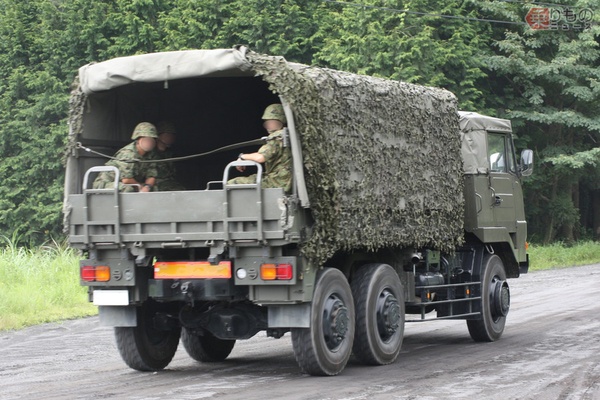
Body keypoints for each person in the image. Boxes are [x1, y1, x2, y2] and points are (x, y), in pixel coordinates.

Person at [228, 104, 292, 192]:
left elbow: (260, 157)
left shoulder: (277, 137)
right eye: (267, 122)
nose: (268, 125)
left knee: (232, 183)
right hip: (282, 181)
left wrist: (242, 156)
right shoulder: (285, 135)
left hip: (277, 182)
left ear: (280, 121)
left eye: (271, 121)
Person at [93, 122, 158, 192]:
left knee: (154, 188)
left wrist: (147, 187)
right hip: (106, 184)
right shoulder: (128, 153)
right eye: (146, 139)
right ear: (138, 140)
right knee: (128, 188)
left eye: (151, 140)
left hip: (124, 184)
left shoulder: (150, 154)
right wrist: (141, 187)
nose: (149, 142)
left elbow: (151, 175)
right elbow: (126, 180)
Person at [154, 121, 185, 191]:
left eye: (172, 135)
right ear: (158, 135)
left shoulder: (169, 153)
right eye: (167, 134)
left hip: (170, 184)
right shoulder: (150, 153)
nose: (170, 137)